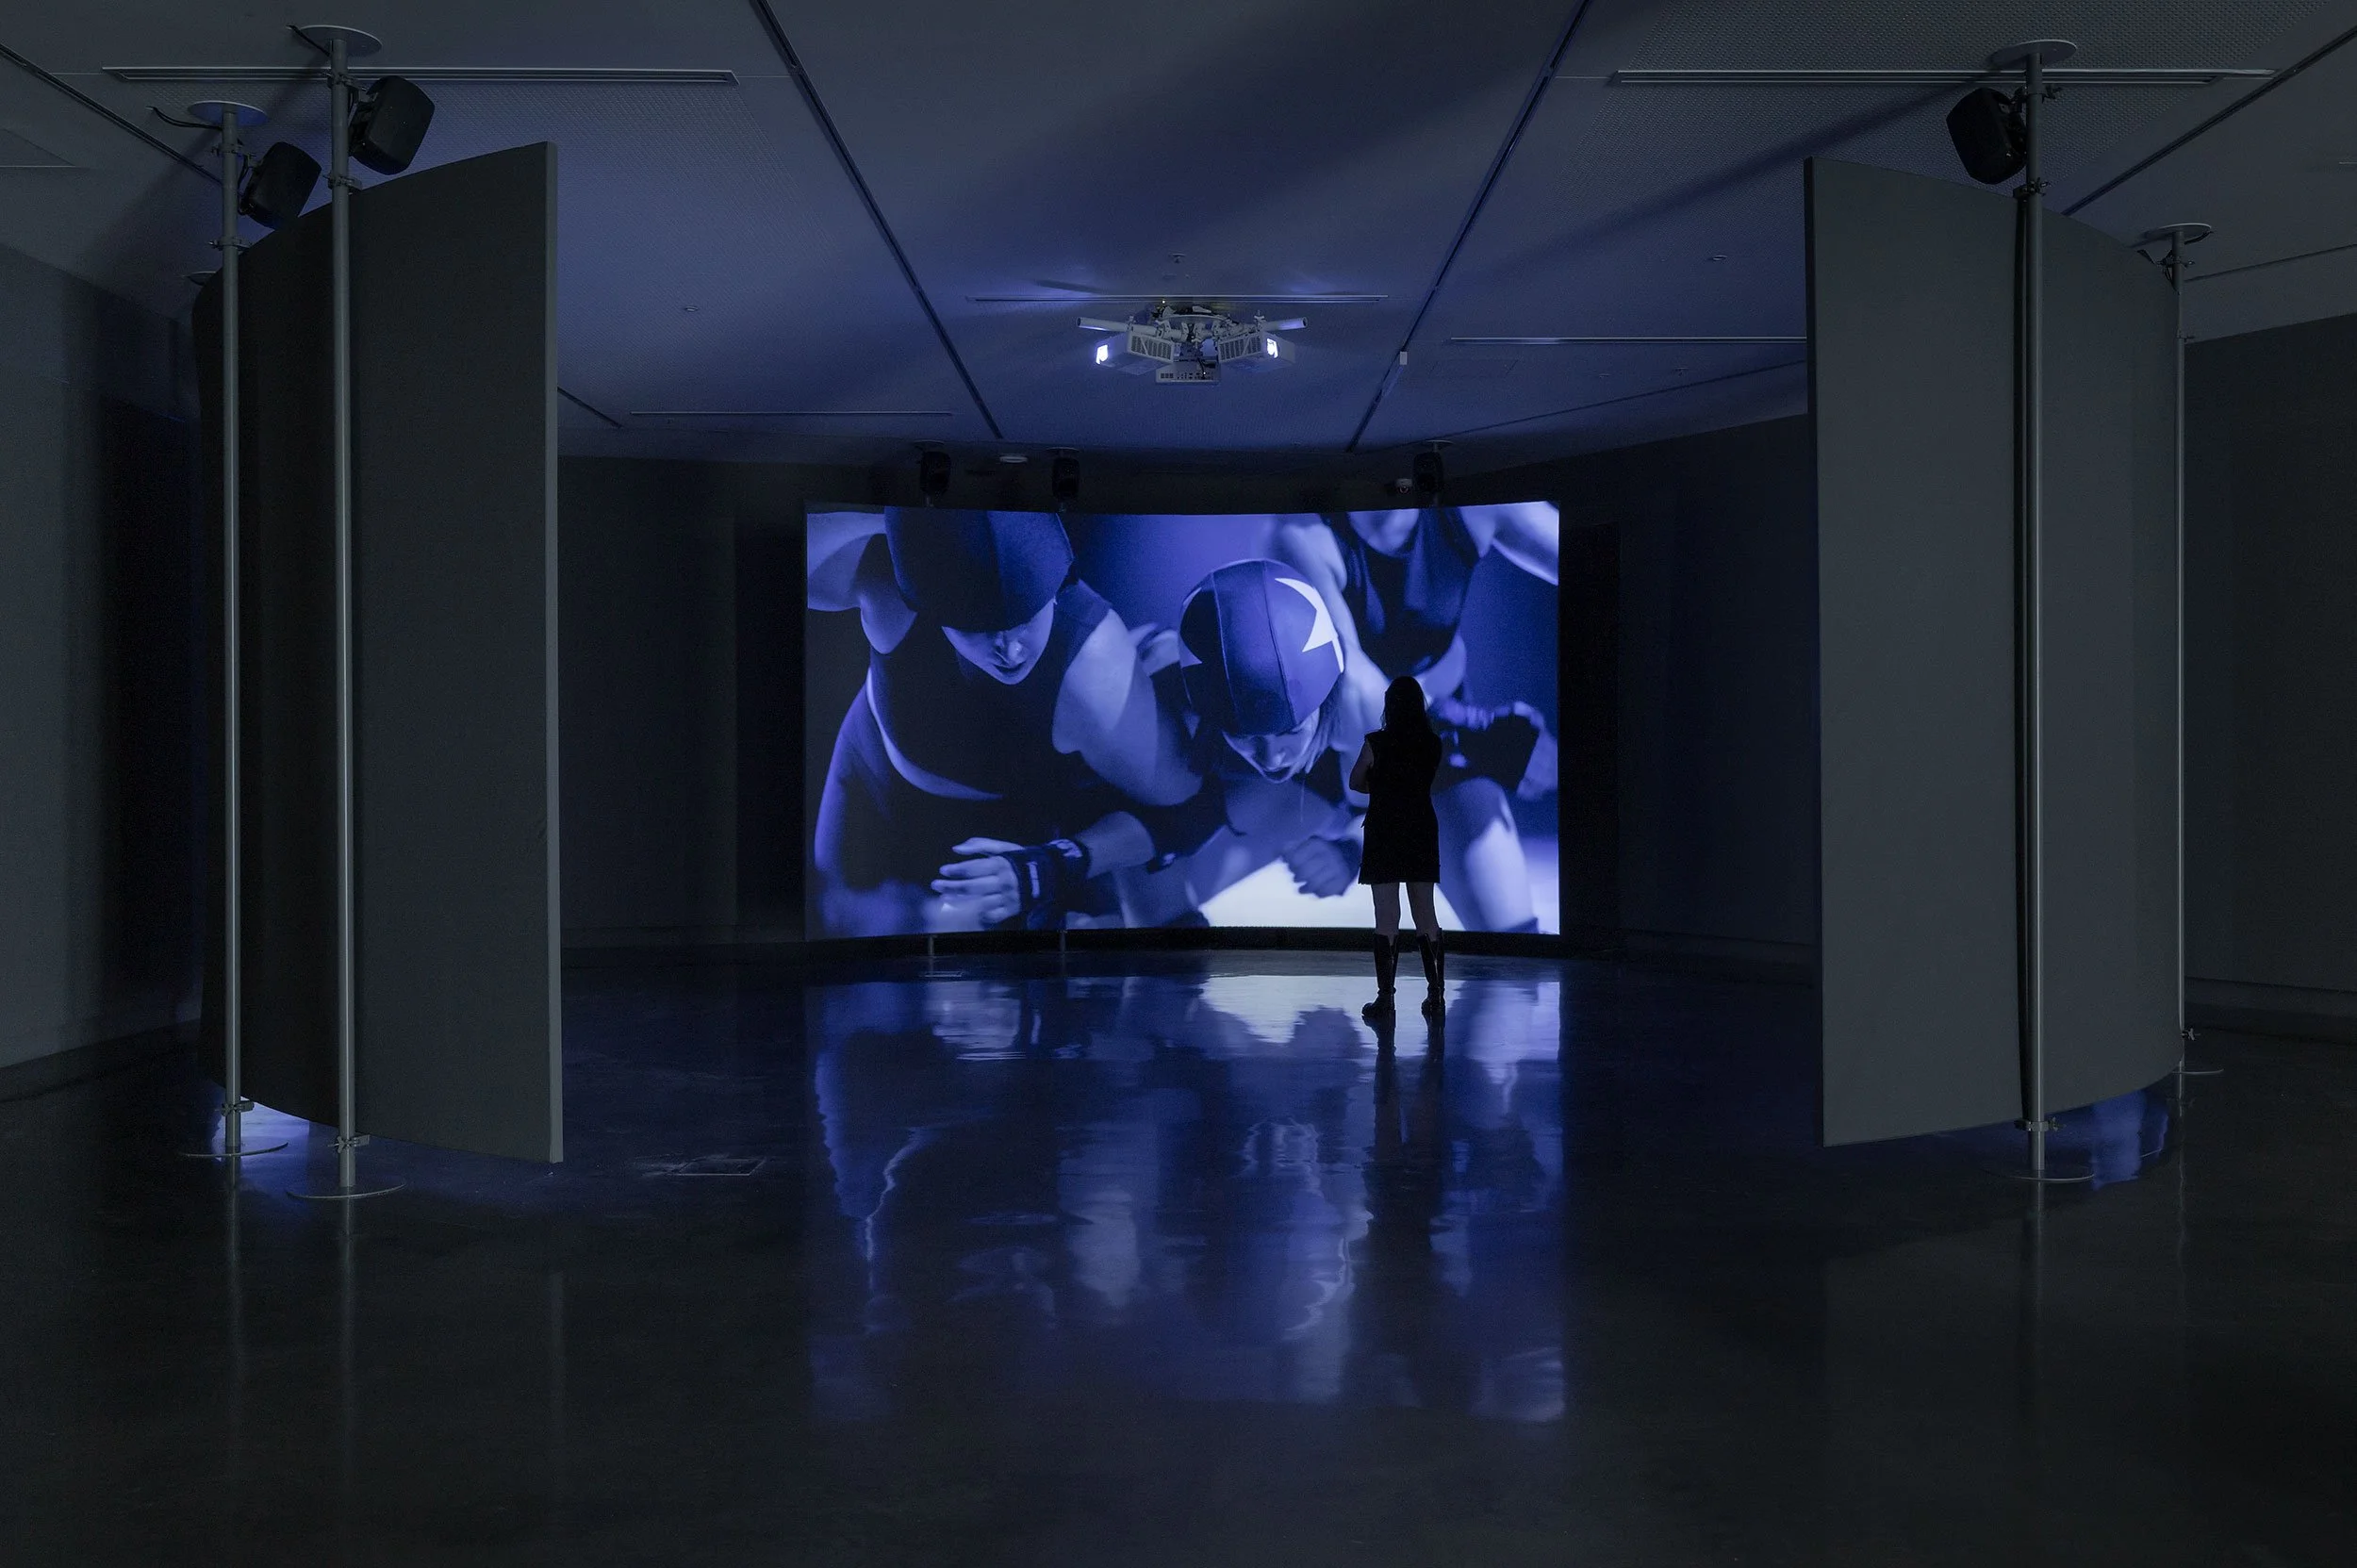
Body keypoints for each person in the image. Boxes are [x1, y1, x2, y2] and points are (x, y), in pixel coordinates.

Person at [806, 509, 1192, 935]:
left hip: (1013, 830)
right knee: (829, 928)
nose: (1010, 651)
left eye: (1025, 618)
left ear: (1054, 590)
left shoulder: (1095, 662)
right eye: (978, 627)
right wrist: (914, 525)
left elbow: (1186, 813)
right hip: (873, 776)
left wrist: (1050, 865)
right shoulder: (887, 577)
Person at [1273, 505, 1559, 932]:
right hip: (1323, 759)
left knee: (1516, 943)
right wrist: (1478, 731)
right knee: (1172, 897)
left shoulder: (1478, 508)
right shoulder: (1302, 535)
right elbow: (1358, 699)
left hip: (1434, 745)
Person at [1349, 677, 1445, 1019]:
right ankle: (1436, 995)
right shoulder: (1432, 744)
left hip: (1385, 829)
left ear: (1389, 706)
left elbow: (1355, 781)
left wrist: (1380, 785)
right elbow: (1421, 781)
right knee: (1426, 913)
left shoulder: (1375, 743)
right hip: (1421, 828)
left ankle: (1386, 999)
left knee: (1387, 916)